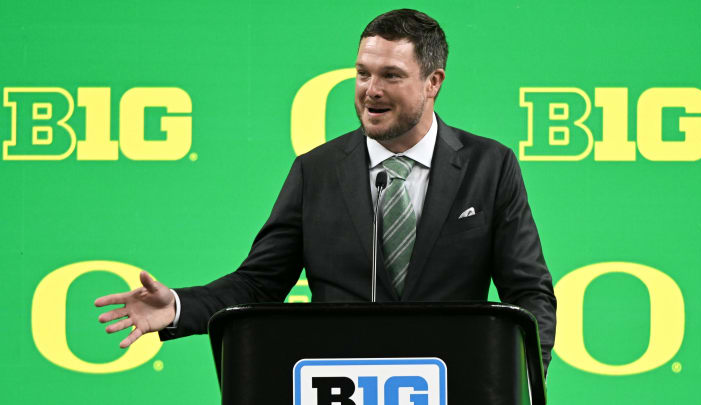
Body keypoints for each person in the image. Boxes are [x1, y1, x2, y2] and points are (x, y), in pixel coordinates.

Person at [96, 9, 557, 372]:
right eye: (362, 73)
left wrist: (520, 382)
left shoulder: (489, 166)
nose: (370, 90)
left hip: (455, 383)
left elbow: (529, 291)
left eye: (391, 76)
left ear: (433, 82)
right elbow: (258, 284)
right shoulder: (315, 171)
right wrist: (177, 306)